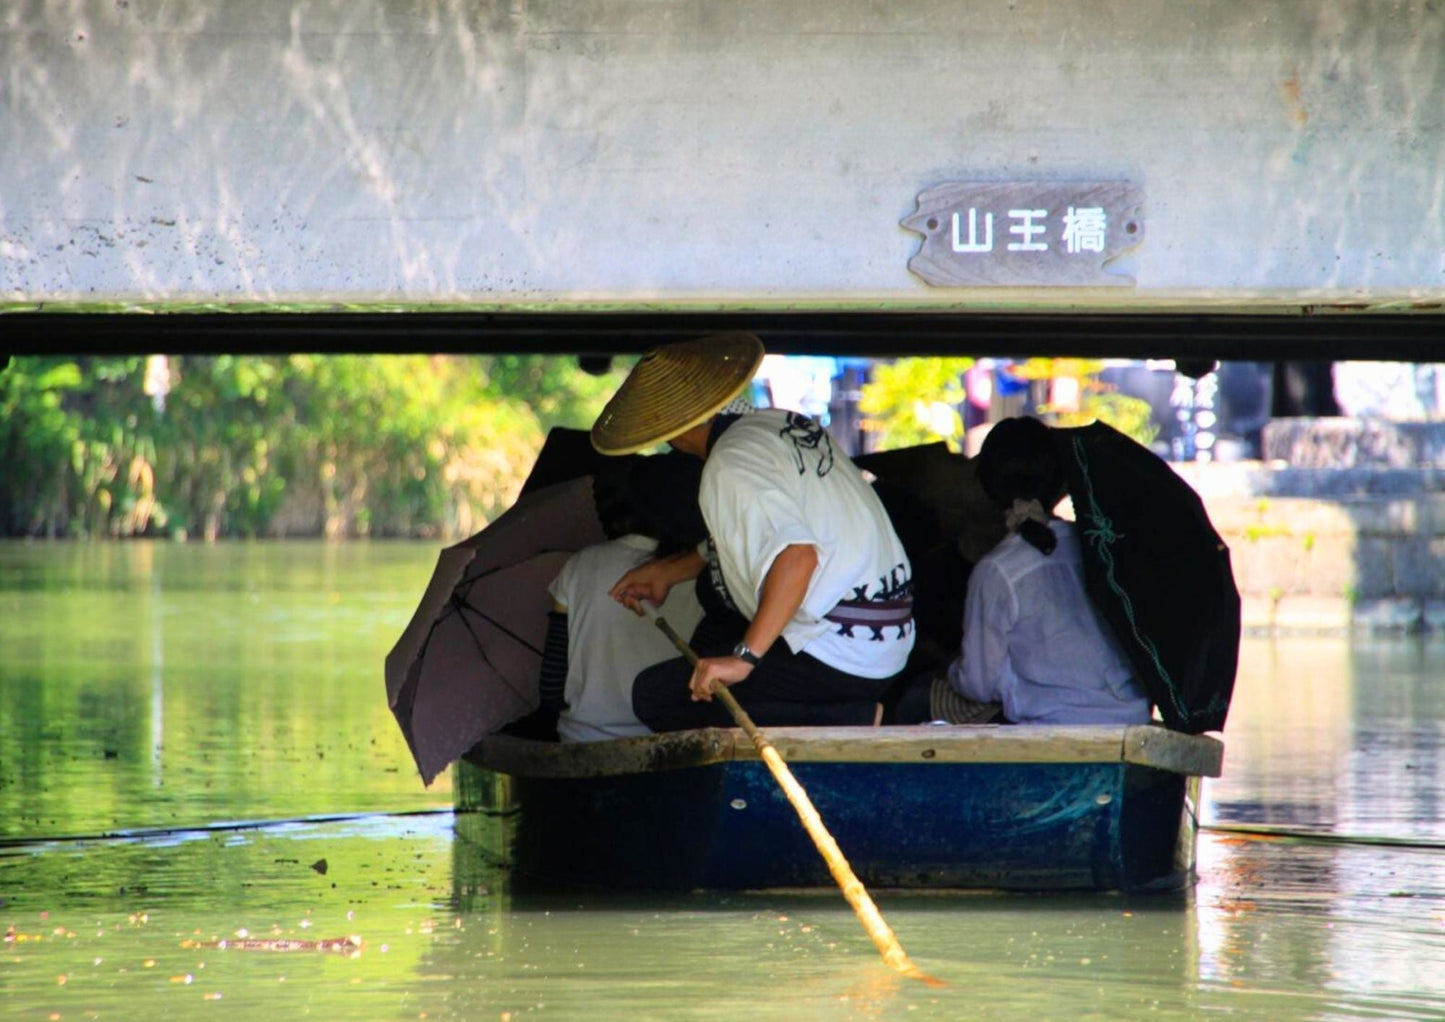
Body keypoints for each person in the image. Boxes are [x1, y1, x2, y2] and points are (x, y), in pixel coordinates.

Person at [590, 332, 915, 731]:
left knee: (657, 695)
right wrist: (669, 572)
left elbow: (797, 557)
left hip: (842, 652)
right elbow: (758, 534)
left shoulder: (728, 465)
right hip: (888, 640)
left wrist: (744, 659)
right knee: (709, 648)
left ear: (670, 432)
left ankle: (854, 719)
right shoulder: (780, 424)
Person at [924, 416, 1151, 726]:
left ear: (986, 487)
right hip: (1131, 717)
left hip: (1053, 725)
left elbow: (978, 684)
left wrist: (951, 670)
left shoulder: (996, 572)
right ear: (1061, 484)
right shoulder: (1101, 550)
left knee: (919, 701)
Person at [538, 454, 706, 741]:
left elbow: (552, 683)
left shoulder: (579, 566)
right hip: (677, 740)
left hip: (585, 739)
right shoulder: (702, 570)